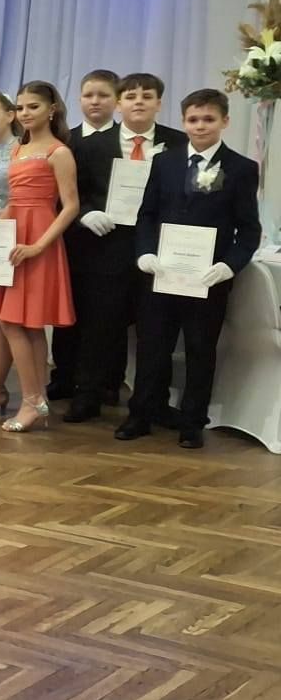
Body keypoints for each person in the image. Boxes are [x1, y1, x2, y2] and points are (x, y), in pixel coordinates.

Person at [123, 89, 262, 449]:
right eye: (193, 119)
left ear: (225, 121)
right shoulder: (164, 162)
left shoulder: (242, 168)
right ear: (183, 121)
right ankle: (141, 413)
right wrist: (144, 253)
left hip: (207, 278)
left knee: (201, 349)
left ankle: (192, 421)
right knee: (153, 346)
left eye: (209, 119)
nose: (200, 126)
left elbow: (249, 229)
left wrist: (228, 266)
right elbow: (146, 214)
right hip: (162, 273)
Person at [60, 72, 183, 422]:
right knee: (98, 326)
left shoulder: (178, 143)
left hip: (159, 250)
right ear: (119, 103)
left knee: (155, 331)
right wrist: (86, 213)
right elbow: (72, 193)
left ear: (159, 103)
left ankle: (150, 403)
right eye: (131, 96)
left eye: (147, 96)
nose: (138, 102)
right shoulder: (90, 145)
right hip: (106, 249)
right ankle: (88, 396)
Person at [0, 81, 80, 432]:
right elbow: (13, 202)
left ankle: (32, 401)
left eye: (33, 106)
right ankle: (38, 399)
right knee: (24, 324)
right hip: (13, 235)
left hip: (39, 237)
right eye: (20, 107)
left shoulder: (59, 152)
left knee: (15, 322)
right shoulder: (18, 150)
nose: (25, 113)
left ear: (52, 109)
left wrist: (39, 246)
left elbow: (70, 206)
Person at [47, 69, 120, 400]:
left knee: (108, 316)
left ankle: (106, 382)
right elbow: (54, 191)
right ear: (79, 99)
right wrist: (83, 214)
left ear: (116, 100)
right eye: (89, 95)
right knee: (68, 311)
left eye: (103, 95)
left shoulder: (126, 142)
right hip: (72, 239)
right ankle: (63, 376)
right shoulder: (65, 141)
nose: (95, 101)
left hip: (114, 240)